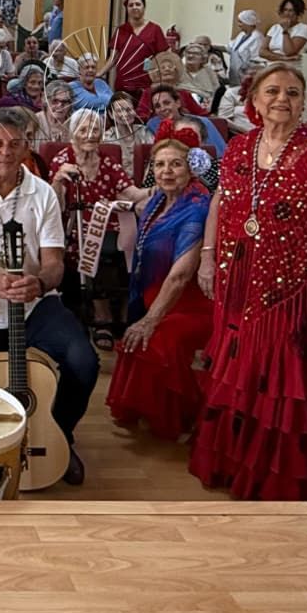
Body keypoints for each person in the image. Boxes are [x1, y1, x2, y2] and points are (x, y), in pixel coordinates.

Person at [190, 63, 307, 500]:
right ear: (253, 100)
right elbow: (221, 199)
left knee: (284, 374)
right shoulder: (239, 147)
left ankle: (274, 473)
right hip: (235, 277)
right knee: (236, 368)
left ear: (304, 103)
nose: (282, 99)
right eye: (272, 91)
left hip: (294, 284)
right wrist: (206, 255)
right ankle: (232, 462)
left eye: (293, 92)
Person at [0, 107, 98, 485]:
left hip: (34, 306)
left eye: (15, 144)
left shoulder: (42, 193)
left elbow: (55, 263)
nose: (6, 152)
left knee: (84, 361)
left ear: (27, 146)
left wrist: (39, 283)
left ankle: (57, 434)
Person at [105, 138, 213, 442]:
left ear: (191, 169)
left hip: (191, 303)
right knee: (135, 336)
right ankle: (145, 409)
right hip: (160, 296)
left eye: (176, 164)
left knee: (157, 338)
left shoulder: (196, 208)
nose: (167, 171)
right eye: (160, 164)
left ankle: (187, 414)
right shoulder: (155, 201)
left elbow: (180, 276)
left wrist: (150, 318)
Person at [49, 110, 149, 351]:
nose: (90, 135)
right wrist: (58, 181)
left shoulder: (107, 161)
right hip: (77, 224)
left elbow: (131, 193)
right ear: (73, 133)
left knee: (133, 243)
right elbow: (55, 205)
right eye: (84, 129)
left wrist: (157, 190)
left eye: (95, 130)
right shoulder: (63, 161)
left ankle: (125, 309)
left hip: (111, 221)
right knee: (95, 245)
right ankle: (101, 315)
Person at [104, 0, 169, 98]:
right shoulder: (121, 30)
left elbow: (164, 57)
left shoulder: (155, 29)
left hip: (146, 84)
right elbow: (113, 57)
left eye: (138, 4)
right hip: (123, 84)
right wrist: (99, 73)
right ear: (127, 9)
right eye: (131, 5)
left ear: (144, 7)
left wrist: (159, 79)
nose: (134, 7)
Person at [104, 94, 153, 182]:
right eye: (119, 110)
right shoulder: (106, 138)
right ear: (111, 114)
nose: (125, 114)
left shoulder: (144, 131)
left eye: (129, 109)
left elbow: (153, 159)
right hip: (118, 184)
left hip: (146, 182)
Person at [263, 0, 307, 64]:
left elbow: (289, 52)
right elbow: (262, 51)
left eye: (291, 10)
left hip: (289, 66)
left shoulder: (303, 28)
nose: (287, 13)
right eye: (285, 10)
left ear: (298, 13)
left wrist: (285, 31)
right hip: (271, 64)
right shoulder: (275, 27)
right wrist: (282, 58)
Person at [32, 78, 76, 150]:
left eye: (65, 102)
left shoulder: (75, 124)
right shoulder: (34, 121)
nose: (60, 105)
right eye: (55, 101)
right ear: (45, 101)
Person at [224, 10, 263, 84]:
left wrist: (245, 69)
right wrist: (212, 46)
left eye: (240, 22)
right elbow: (230, 48)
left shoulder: (257, 38)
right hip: (234, 74)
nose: (239, 25)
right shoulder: (241, 35)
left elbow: (256, 60)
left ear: (248, 23)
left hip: (246, 75)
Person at [179, 41, 220, 110]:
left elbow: (217, 90)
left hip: (206, 105)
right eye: (188, 53)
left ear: (203, 58)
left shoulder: (208, 71)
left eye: (195, 54)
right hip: (183, 105)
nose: (191, 56)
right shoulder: (179, 70)